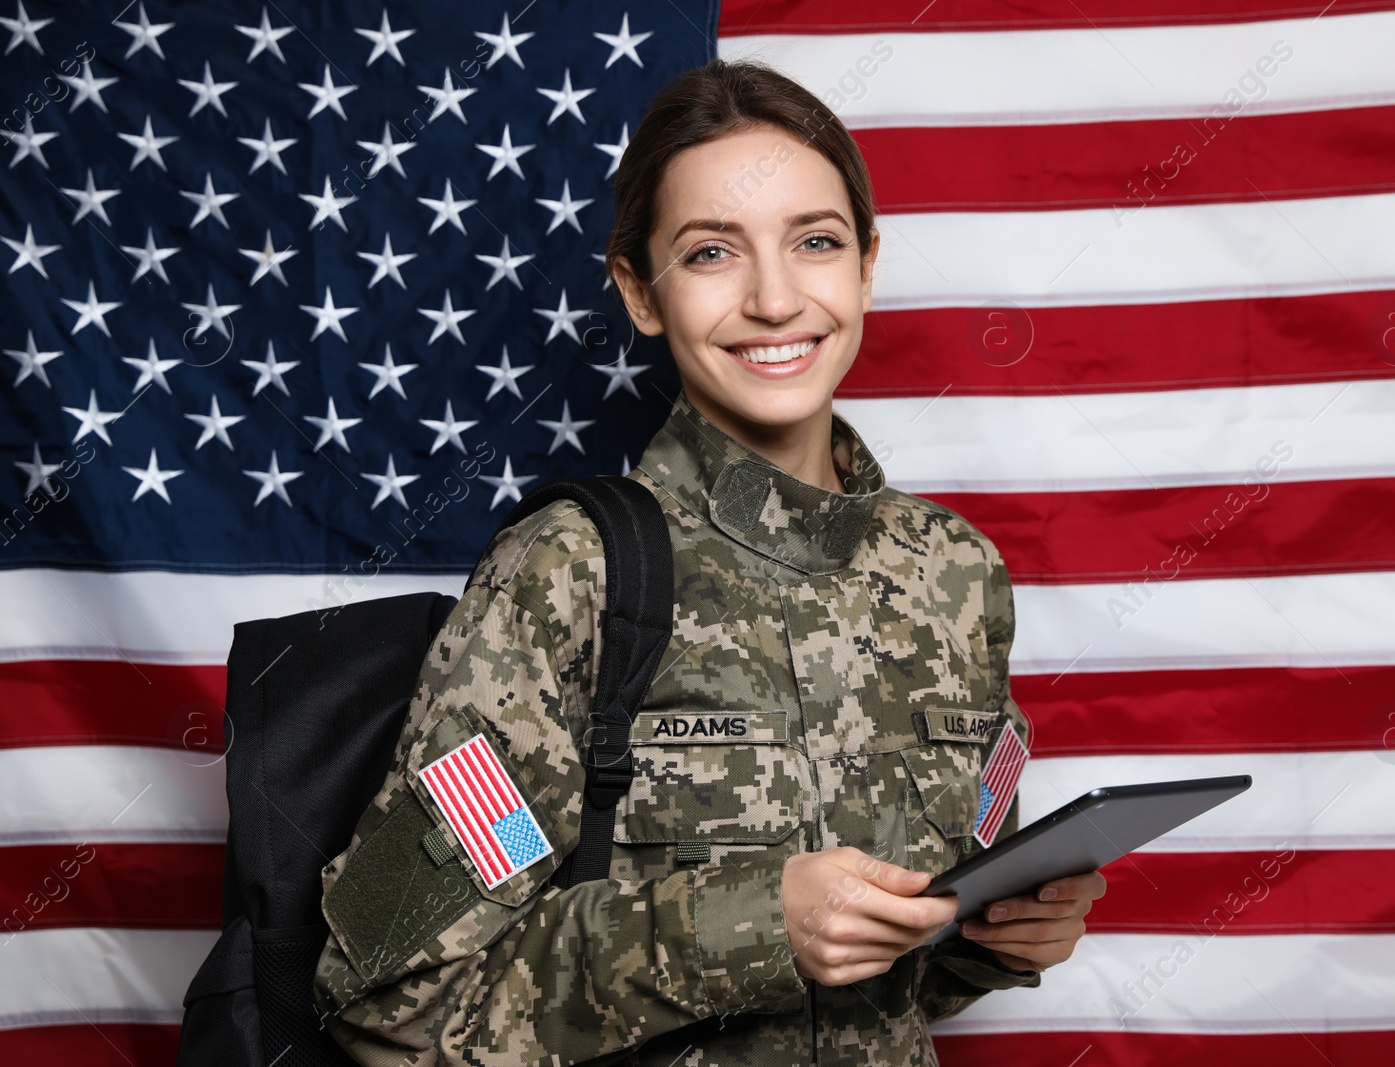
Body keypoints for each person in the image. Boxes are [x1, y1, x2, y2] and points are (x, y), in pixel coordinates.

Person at [312, 57, 1106, 1066]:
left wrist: (997, 936)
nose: (775, 299)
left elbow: (917, 975)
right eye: (710, 254)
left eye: (814, 242)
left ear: (865, 264)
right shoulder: (569, 574)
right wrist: (748, 924)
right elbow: (389, 992)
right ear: (639, 291)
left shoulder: (953, 576)